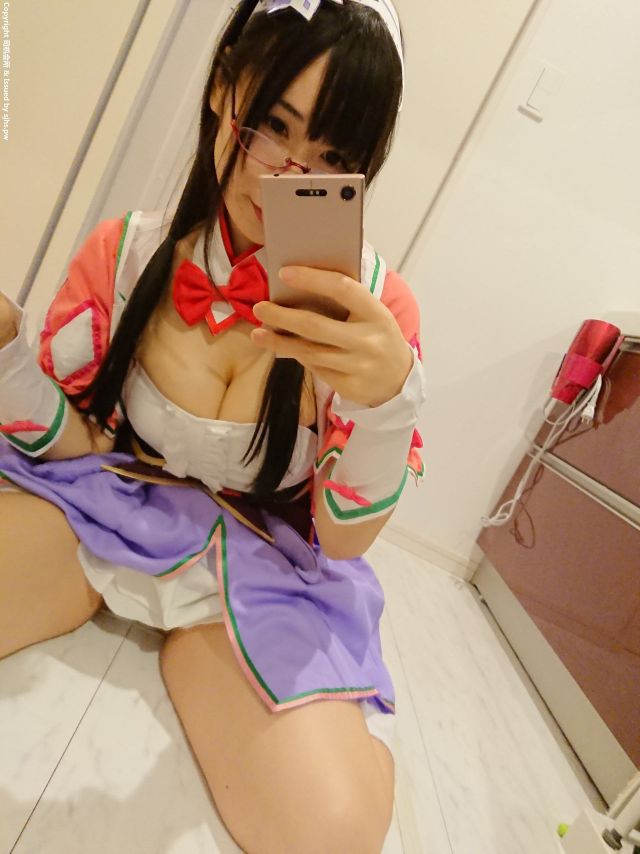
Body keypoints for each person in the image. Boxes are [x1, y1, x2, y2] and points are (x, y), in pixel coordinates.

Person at [0, 0, 426, 850]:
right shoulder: (128, 254)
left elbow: (345, 540)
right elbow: (75, 444)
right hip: (108, 507)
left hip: (260, 566)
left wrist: (389, 405)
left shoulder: (372, 315)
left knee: (332, 834)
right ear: (225, 87)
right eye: (272, 126)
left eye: (332, 158)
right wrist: (8, 351)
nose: (285, 177)